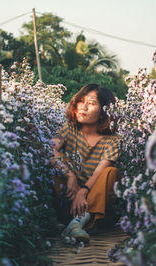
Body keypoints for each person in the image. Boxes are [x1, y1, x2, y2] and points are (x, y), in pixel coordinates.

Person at [52, 84, 121, 243]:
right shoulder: (69, 129)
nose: (83, 106)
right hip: (70, 202)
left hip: (101, 212)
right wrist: (70, 176)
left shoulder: (113, 141)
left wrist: (83, 192)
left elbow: (99, 172)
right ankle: (69, 221)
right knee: (58, 159)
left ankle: (78, 223)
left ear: (104, 112)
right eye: (81, 101)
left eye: (91, 103)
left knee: (111, 172)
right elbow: (50, 148)